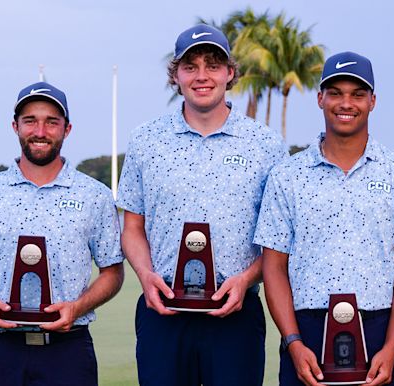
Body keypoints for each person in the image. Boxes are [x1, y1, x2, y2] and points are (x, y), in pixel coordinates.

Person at [117, 24, 287, 385]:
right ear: (175, 75)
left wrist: (244, 280)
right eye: (190, 67)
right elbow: (132, 227)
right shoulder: (146, 140)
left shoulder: (265, 145)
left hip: (235, 314)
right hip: (162, 310)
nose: (202, 76)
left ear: (230, 73)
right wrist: (146, 276)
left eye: (213, 65)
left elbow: (278, 242)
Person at [256, 51, 394, 386]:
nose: (345, 103)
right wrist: (293, 342)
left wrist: (392, 346)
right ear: (320, 98)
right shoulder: (287, 176)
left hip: (380, 328)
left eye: (357, 94)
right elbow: (274, 267)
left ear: (373, 101)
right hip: (306, 330)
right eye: (335, 93)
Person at [0, 82, 124, 385]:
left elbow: (113, 272)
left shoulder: (95, 195)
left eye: (51, 122)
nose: (40, 131)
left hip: (69, 351)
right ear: (15, 126)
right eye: (30, 120)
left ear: (67, 129)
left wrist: (77, 307)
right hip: (1, 350)